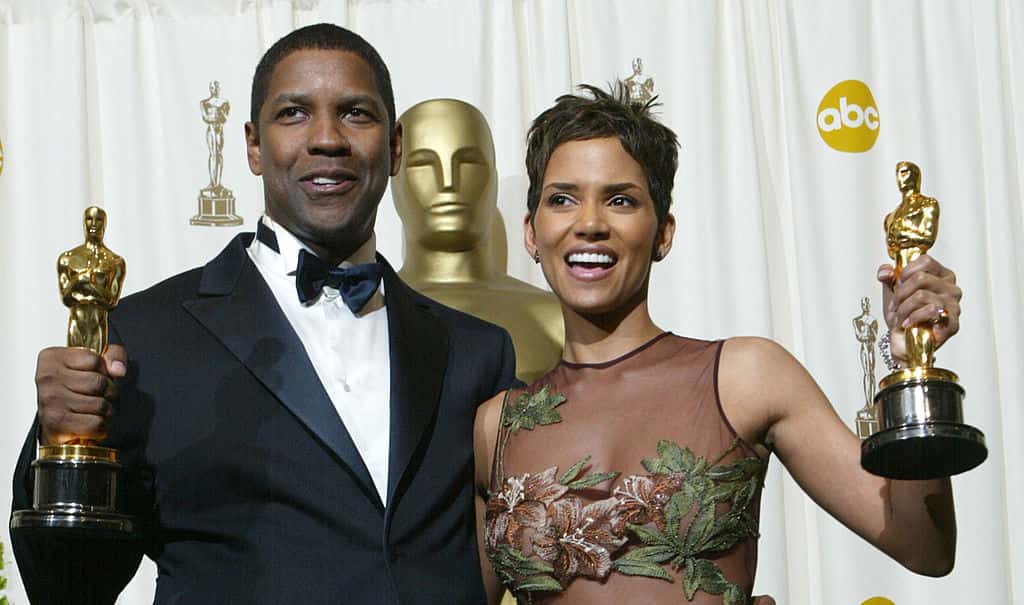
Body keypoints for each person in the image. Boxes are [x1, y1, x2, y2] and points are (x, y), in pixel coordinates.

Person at [14, 23, 516, 604]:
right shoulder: (149, 339)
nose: (327, 138)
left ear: (395, 146)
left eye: (356, 113)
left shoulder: (477, 354)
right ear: (253, 146)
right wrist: (60, 444)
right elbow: (67, 587)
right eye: (294, 114)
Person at [473, 86, 962, 604]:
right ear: (532, 232)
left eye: (621, 200)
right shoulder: (495, 428)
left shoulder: (744, 378)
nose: (590, 223)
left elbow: (923, 545)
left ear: (663, 233)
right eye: (562, 199)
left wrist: (915, 372)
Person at [392, 98, 563, 382]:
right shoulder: (366, 316)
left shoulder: (553, 319)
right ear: (392, 181)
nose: (448, 182)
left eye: (468, 162)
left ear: (493, 178)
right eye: (422, 164)